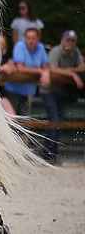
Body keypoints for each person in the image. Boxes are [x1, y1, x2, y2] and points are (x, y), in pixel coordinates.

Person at [41, 30, 85, 163]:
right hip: (49, 91)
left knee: (59, 124)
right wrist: (72, 74)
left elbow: (82, 67)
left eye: (72, 41)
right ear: (62, 40)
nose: (70, 43)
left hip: (62, 93)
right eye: (68, 40)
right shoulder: (56, 52)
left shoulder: (75, 51)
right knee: (54, 122)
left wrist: (69, 72)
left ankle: (52, 156)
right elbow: (53, 69)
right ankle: (47, 155)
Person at [3, 27, 50, 116]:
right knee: (13, 119)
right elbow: (20, 68)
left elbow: (46, 66)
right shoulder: (19, 46)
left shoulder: (40, 48)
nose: (30, 41)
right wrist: (40, 71)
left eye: (33, 38)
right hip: (13, 90)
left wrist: (46, 72)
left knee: (25, 120)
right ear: (25, 38)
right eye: (28, 38)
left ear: (38, 39)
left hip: (27, 91)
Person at [0, 34, 17, 115]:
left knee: (12, 116)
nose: (0, 45)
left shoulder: (6, 57)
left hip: (1, 93)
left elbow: (14, 69)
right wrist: (2, 68)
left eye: (2, 43)